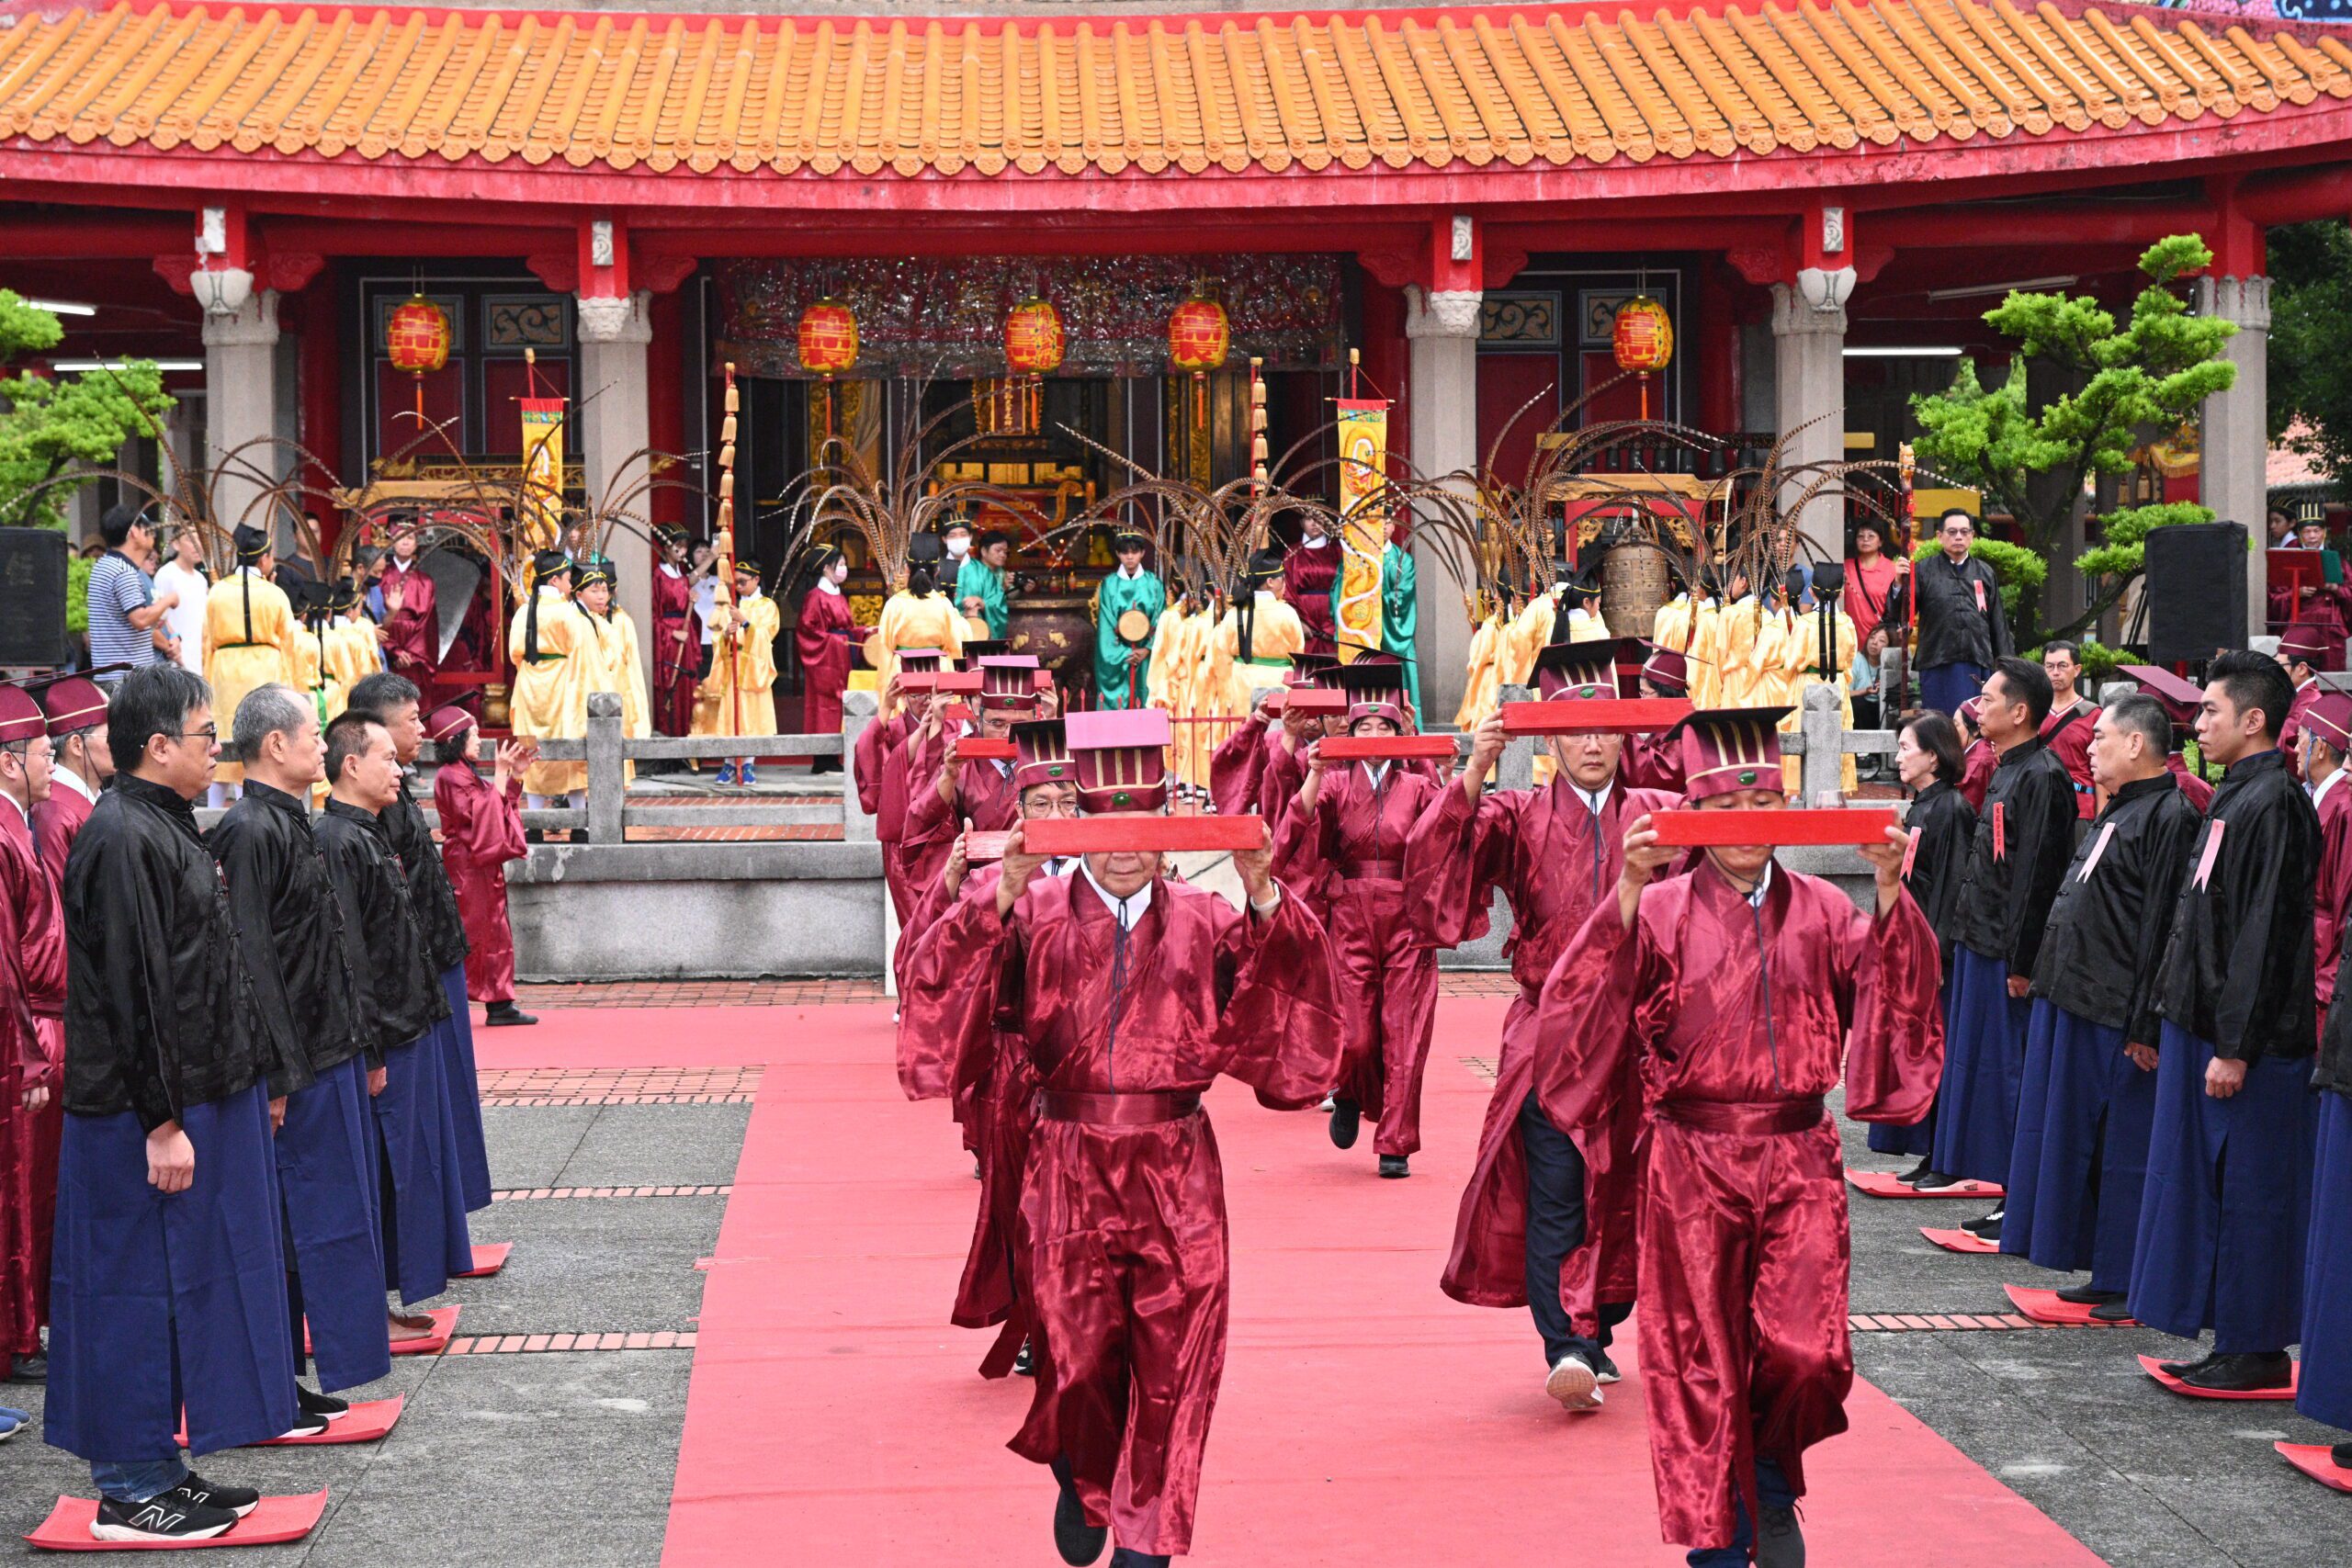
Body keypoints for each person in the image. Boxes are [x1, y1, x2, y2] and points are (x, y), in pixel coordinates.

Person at [900, 706, 1340, 1568]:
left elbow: (1294, 1011)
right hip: (1065, 1164)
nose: (1126, 846)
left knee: (1179, 1365)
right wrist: (991, 892)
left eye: (1144, 825)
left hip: (1177, 1169)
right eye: (1108, 825)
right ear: (1083, 827)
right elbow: (932, 983)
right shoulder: (1032, 916)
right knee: (1077, 1356)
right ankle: (1082, 1473)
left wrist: (1264, 894)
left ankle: (1148, 1540)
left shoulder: (1208, 919)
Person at [1541, 708, 1941, 1568]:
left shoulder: (1828, 908)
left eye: (1764, 805)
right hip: (1690, 1157)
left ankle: (1764, 1465)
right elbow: (1583, 1011)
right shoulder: (1661, 908)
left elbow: (1890, 996)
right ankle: (1718, 1527)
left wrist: (1892, 894)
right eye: (1725, 810)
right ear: (1694, 815)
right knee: (1697, 1356)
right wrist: (1622, 894)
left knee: (1805, 1349)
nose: (1748, 828)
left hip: (1799, 1153)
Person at [47, 665, 300, 1540]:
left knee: (176, 1289)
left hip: (189, 1097)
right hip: (133, 1112)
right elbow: (132, 989)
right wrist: (160, 1120)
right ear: (157, 747)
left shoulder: (164, 824)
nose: (215, 751)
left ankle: (160, 1463)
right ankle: (125, 1484)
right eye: (203, 735)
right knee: (128, 1291)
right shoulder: (119, 835)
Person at [1405, 639, 1679, 1411]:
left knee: (1625, 1188)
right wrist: (1471, 773)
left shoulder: (1660, 818)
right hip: (1550, 1037)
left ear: (1625, 736)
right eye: (1574, 729)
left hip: (1638, 1040)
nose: (1591, 743)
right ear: (1550, 739)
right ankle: (1565, 1341)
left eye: (1604, 728)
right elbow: (1433, 865)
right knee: (1557, 1187)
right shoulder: (1519, 814)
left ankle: (1600, 1327)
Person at [2133, 651, 2321, 1393]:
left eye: (2210, 710)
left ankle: (2256, 1343)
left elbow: (2266, 934)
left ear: (2254, 719)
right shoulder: (2232, 794)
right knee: (2212, 1186)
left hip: (2249, 1042)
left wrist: (2235, 1046)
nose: (2197, 722)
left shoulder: (2273, 801)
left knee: (2253, 1191)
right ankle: (2232, 1334)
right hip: (2204, 1024)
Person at [211, 683, 390, 1415]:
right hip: (295, 1064)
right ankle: (271, 1380)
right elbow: (251, 961)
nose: (324, 745)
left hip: (329, 1047)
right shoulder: (250, 830)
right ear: (275, 745)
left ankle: (297, 1374)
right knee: (286, 1224)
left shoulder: (296, 822)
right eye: (313, 734)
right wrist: (277, 1074)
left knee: (328, 1216)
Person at [2000, 694, 2201, 1316]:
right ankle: (2099, 1263)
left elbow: (2165, 925)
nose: (2090, 749)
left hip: (2118, 1011)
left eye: (2101, 739)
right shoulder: (2119, 810)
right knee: (2081, 1141)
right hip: (2076, 998)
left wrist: (2146, 1020)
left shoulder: (2170, 815)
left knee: (2125, 1148)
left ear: (2136, 744)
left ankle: (2124, 1276)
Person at [313, 711, 472, 1319]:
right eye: (388, 758)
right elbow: (350, 954)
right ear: (350, 764)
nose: (400, 770)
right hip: (381, 1038)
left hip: (406, 1025)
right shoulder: (335, 840)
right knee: (380, 1174)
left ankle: (385, 1299)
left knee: (402, 1169)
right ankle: (368, 1308)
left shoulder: (367, 831)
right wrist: (372, 1049)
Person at [1275, 662, 1443, 1177]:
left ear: (1398, 733)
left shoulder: (1415, 784)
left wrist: (1444, 766)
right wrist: (1316, 771)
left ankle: (1396, 1142)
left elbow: (1447, 826)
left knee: (1403, 1030)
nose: (1374, 735)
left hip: (1406, 916)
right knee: (1356, 1035)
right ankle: (1348, 1090)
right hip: (1349, 913)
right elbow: (1299, 822)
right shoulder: (1337, 782)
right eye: (1364, 726)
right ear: (1349, 731)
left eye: (1384, 727)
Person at [1925, 658, 2076, 1223]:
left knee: (2013, 1076)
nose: (1977, 707)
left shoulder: (2042, 775)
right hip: (1979, 941)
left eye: (1989, 699)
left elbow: (2037, 874)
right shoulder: (2005, 767)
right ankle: (1997, 1188)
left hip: (2006, 954)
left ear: (2020, 712)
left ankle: (2020, 1200)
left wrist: (2023, 959)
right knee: (1981, 1070)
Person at [348, 672, 499, 1206]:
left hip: (439, 949)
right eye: (411, 720)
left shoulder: (398, 786)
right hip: (416, 965)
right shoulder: (370, 805)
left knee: (453, 1087)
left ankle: (456, 1213)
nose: (421, 729)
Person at [1870, 710, 1978, 1178]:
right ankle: (1929, 1148)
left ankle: (1946, 1156)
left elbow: (1951, 887)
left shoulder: (1952, 808)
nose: (1897, 758)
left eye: (1906, 749)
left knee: (1942, 1053)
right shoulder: (1920, 807)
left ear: (1933, 756)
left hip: (1936, 955)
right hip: (1912, 948)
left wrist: (1934, 952)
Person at [1, 682, 64, 1394]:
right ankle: (17, 1337)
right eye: (45, 752)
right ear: (12, 760)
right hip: (25, 1031)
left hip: (40, 1021)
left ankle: (24, 1328)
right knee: (18, 1189)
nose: (53, 763)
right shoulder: (4, 831)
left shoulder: (20, 823)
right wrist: (26, 1053)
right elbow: (6, 961)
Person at [428, 706, 538, 1030]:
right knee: (474, 931)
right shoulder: (450, 776)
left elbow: (495, 802)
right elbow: (480, 818)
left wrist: (514, 774)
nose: (479, 740)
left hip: (480, 863)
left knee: (495, 930)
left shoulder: (464, 771)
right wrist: (502, 774)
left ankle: (501, 1001)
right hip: (466, 863)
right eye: (473, 734)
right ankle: (455, 999)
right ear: (455, 739)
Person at [200, 524, 300, 801]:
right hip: (265, 670)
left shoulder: (217, 592)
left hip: (224, 671)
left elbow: (206, 642)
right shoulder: (274, 593)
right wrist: (292, 689)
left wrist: (208, 685)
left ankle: (214, 812)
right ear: (264, 558)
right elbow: (290, 644)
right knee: (260, 739)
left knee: (222, 739)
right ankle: (256, 805)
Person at [1912, 510, 2012, 720]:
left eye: (1964, 531)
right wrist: (1898, 584)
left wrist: (2006, 666)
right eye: (1952, 531)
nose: (1959, 536)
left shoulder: (1984, 572)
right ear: (1939, 536)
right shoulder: (1923, 570)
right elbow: (1903, 612)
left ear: (1972, 535)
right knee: (1941, 726)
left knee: (1976, 723)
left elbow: (1997, 623)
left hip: (1977, 659)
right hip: (1938, 661)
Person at [699, 557, 782, 787]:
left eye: (743, 582)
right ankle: (728, 761)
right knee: (730, 714)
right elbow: (717, 637)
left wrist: (746, 623)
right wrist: (726, 634)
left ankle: (748, 763)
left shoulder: (768, 606)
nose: (739, 586)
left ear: (757, 579)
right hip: (732, 668)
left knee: (752, 715)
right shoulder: (729, 606)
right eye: (735, 582)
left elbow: (767, 635)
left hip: (754, 668)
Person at [507, 550, 581, 809]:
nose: (571, 585)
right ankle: (578, 824)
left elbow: (515, 652)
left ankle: (534, 822)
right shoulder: (568, 612)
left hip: (529, 682)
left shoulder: (524, 611)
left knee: (531, 748)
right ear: (555, 581)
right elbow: (578, 649)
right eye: (568, 579)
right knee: (569, 751)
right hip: (561, 682)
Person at [85, 504, 175, 683]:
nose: (153, 535)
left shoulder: (102, 565)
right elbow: (140, 620)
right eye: (149, 530)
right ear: (134, 532)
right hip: (129, 681)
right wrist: (169, 600)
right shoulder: (124, 572)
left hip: (109, 675)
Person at [2308, 694, 2352, 1038]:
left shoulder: (2342, 810)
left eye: (2302, 741)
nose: (2293, 749)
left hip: (2325, 967)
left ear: (2320, 748)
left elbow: (2342, 904)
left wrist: (2325, 985)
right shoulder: (2322, 800)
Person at [796, 547, 854, 766]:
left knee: (839, 706)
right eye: (840, 564)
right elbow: (807, 631)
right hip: (824, 660)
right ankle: (822, 759)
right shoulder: (815, 597)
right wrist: (836, 641)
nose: (844, 569)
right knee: (822, 706)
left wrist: (863, 632)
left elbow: (847, 628)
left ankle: (834, 757)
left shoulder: (838, 595)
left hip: (840, 657)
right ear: (826, 568)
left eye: (844, 564)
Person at [1093, 531, 1164, 711]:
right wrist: (1125, 653)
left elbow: (1161, 621)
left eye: (1134, 552)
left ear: (1142, 553)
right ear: (1118, 554)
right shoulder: (1109, 584)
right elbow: (1106, 625)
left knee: (1147, 695)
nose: (1130, 557)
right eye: (1125, 552)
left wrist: (1148, 649)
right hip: (1120, 654)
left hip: (1147, 655)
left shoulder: (1154, 584)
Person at [650, 525, 706, 744]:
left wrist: (691, 601)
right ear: (665, 549)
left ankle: (688, 737)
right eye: (678, 547)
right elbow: (653, 615)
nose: (682, 552)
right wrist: (672, 632)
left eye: (684, 547)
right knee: (670, 686)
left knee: (687, 686)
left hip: (685, 631)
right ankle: (670, 740)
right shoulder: (657, 576)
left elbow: (691, 583)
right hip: (670, 638)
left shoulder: (681, 576)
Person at [2039, 640, 2099, 820]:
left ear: (2077, 669)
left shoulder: (2093, 714)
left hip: (2080, 808)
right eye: (2049, 666)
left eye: (2062, 665)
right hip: (2039, 804)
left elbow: (2102, 771)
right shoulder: (2033, 710)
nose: (2055, 672)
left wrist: (2101, 816)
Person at [375, 525, 440, 693]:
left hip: (415, 649)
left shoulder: (426, 582)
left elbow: (428, 624)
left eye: (410, 538)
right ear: (392, 543)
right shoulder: (380, 577)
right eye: (400, 537)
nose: (404, 542)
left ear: (416, 544)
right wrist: (393, 649)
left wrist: (410, 654)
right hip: (385, 636)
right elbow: (372, 616)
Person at [2276, 621, 2334, 783]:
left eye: (2280, 665)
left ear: (2301, 668)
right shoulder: (2296, 696)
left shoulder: (2311, 703)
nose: (2275, 671)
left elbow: (2285, 745)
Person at [151, 525, 209, 676]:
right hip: (177, 661)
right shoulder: (166, 574)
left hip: (200, 659)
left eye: (200, 539)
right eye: (190, 540)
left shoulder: (201, 579)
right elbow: (158, 618)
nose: (197, 545)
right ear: (176, 544)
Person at [1380, 516, 1422, 719]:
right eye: (1377, 521)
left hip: (1394, 628)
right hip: (1365, 631)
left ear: (1394, 526)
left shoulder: (1403, 559)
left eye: (1387, 522)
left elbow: (1403, 595)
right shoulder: (1357, 558)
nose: (1382, 527)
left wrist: (1373, 598)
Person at [1283, 514, 1341, 655]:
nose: (1315, 523)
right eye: (1309, 519)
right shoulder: (1291, 553)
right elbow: (1287, 591)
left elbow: (1345, 587)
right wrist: (1299, 622)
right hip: (1303, 619)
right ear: (1302, 523)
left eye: (1319, 519)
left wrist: (1333, 625)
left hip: (1333, 616)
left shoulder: (1338, 551)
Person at [1842, 519, 1906, 643]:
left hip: (1880, 640)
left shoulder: (1892, 569)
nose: (1865, 539)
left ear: (1880, 542)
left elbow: (1899, 604)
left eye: (1871, 536)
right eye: (1860, 536)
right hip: (1850, 640)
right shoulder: (1845, 567)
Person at [956, 528, 1012, 641]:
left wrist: (983, 602)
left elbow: (1000, 603)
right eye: (998, 550)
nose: (1003, 555)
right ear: (984, 551)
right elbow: (961, 600)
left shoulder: (1002, 573)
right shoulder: (969, 571)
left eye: (1005, 552)